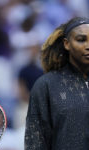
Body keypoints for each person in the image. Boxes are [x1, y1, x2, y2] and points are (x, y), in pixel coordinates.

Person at [25, 16, 89, 150]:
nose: (88, 46)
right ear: (66, 44)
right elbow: (35, 142)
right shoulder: (46, 85)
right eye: (81, 40)